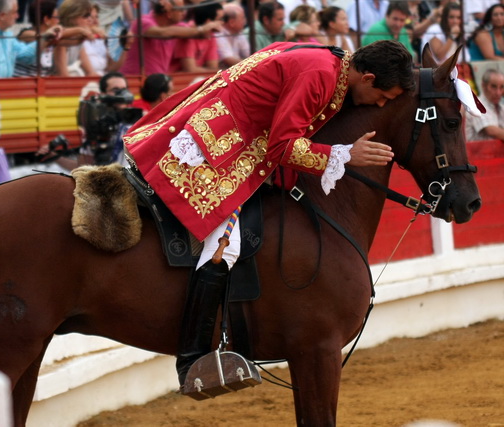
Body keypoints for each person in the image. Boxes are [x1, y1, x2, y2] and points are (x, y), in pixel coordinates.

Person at [123, 40, 415, 386]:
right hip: (218, 143)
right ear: (367, 77)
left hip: (226, 129)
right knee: (224, 243)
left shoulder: (328, 58)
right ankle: (193, 358)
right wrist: (345, 154)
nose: (381, 104)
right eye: (383, 96)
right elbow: (281, 145)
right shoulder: (320, 74)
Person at [120, 0, 222, 75]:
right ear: (169, 13)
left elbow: (196, 32)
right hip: (134, 79)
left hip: (157, 82)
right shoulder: (143, 21)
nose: (184, 13)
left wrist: (210, 27)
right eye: (181, 10)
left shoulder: (179, 26)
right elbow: (163, 33)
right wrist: (203, 29)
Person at [0, 0, 62, 78]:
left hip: (3, 89)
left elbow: (25, 56)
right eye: (14, 12)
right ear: (2, 15)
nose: (17, 16)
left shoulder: (5, 32)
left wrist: (44, 38)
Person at [171, 0, 222, 72]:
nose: (223, 23)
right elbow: (190, 70)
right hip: (177, 80)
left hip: (196, 79)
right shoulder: (188, 34)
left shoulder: (210, 35)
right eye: (220, 19)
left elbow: (213, 67)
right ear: (208, 22)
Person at [14, 0, 59, 76]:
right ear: (46, 19)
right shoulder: (26, 34)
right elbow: (41, 37)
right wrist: (80, 30)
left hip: (40, 85)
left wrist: (81, 31)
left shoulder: (53, 37)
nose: (58, 21)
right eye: (56, 17)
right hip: (20, 84)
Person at [465, 69, 504, 142]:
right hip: (475, 152)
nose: (498, 93)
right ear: (483, 86)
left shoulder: (501, 107)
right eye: (493, 86)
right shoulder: (476, 105)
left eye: (501, 87)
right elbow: (491, 131)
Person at [215, 2, 249, 68]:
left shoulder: (239, 32)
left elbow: (248, 54)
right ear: (231, 22)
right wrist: (250, 65)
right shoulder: (219, 34)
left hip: (238, 69)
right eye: (242, 18)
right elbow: (228, 60)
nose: (245, 22)